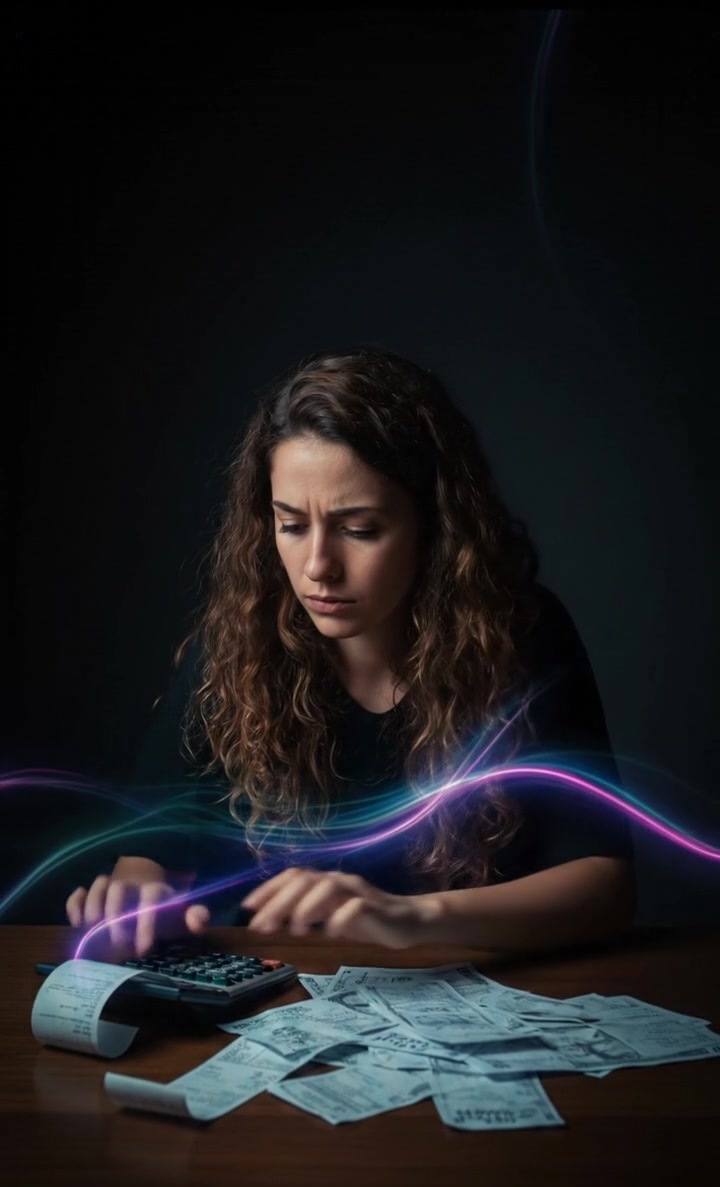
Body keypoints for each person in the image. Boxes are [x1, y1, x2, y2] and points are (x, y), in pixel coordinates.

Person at [66, 346, 636, 956]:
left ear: (435, 528)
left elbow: (605, 888)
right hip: (273, 1003)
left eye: (359, 529)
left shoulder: (521, 636)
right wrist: (134, 898)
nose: (317, 567)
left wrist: (411, 918)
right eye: (290, 524)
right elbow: (151, 862)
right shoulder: (236, 644)